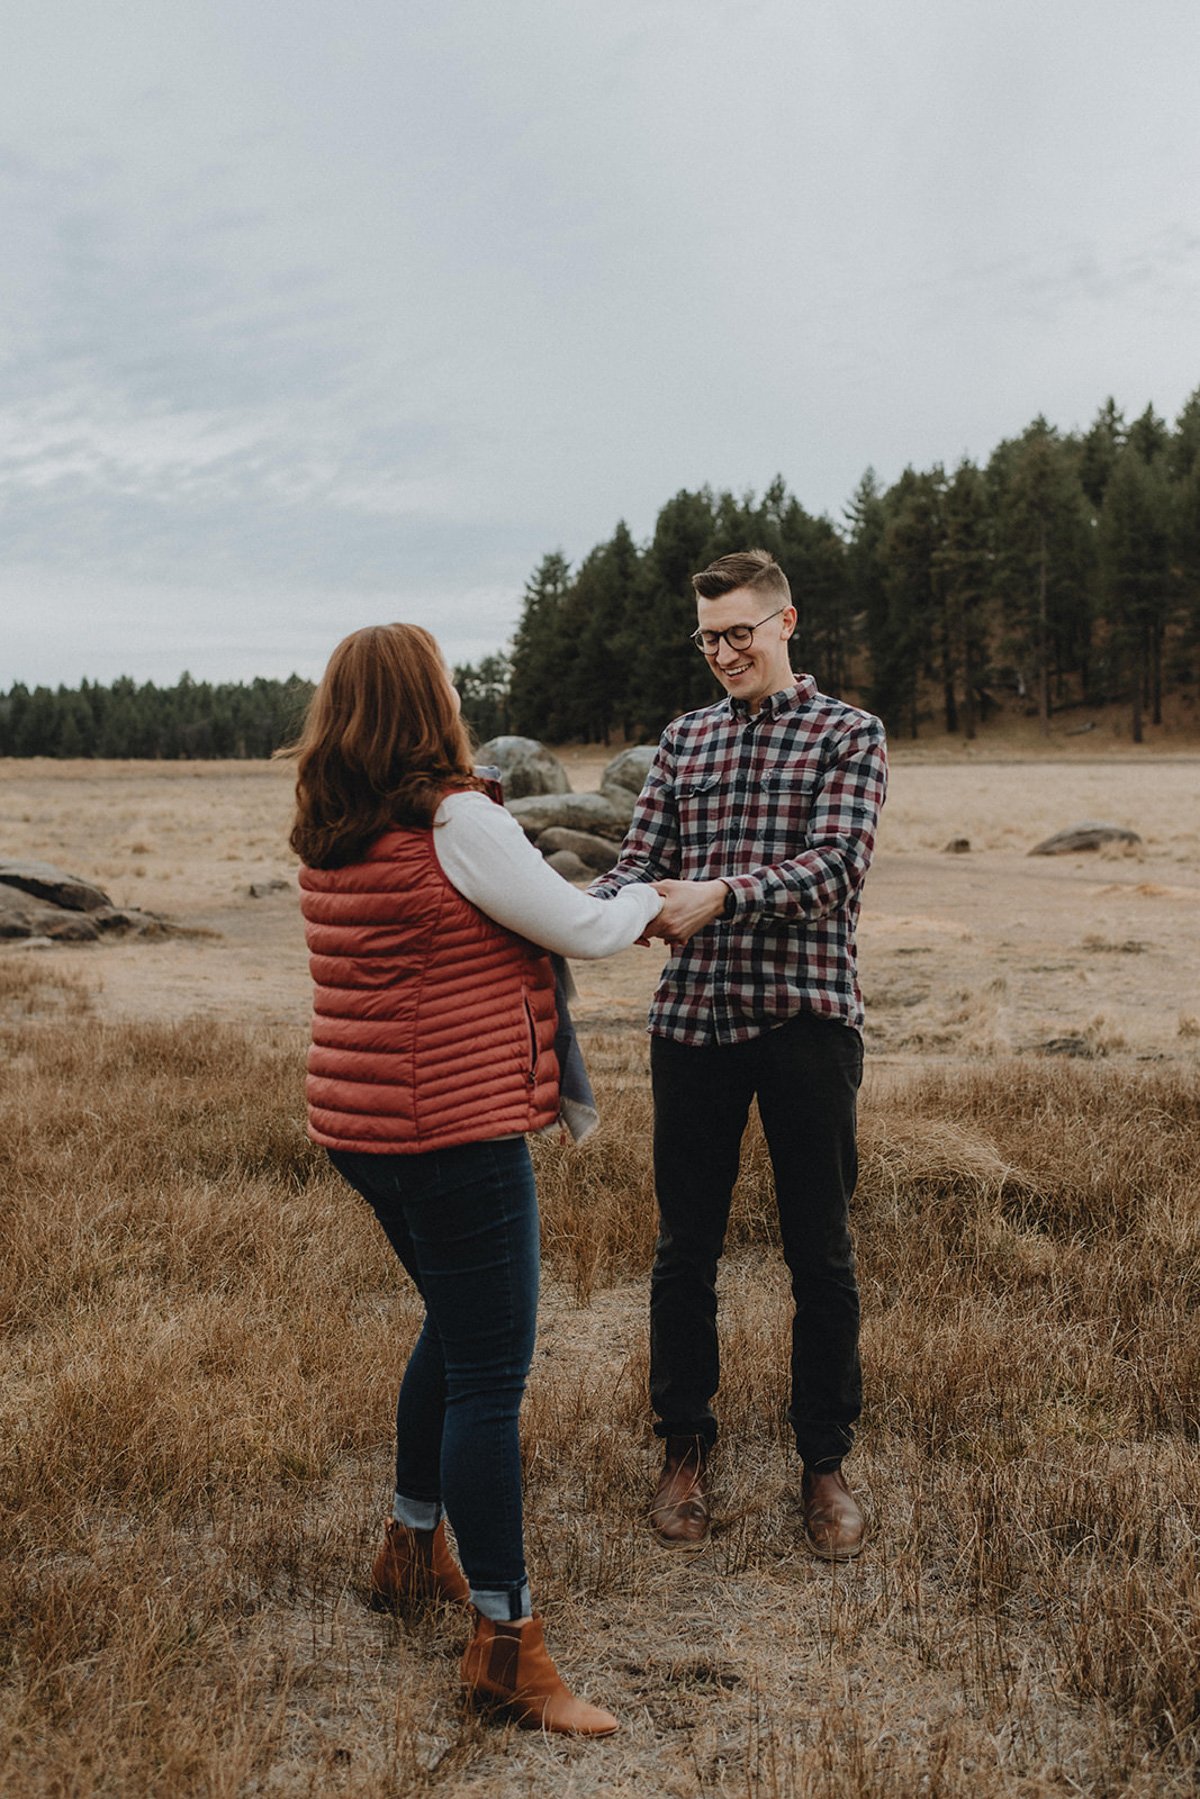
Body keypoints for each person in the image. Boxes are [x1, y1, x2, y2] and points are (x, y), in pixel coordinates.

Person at [286, 622, 663, 1737]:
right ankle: (507, 1642)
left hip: (365, 1127)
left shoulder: (333, 826)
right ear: (430, 704)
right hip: (452, 1130)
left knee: (454, 1331)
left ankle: (410, 1545)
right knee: (491, 1371)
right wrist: (658, 896)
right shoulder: (459, 818)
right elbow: (585, 927)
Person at [589, 550, 888, 1561]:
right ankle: (683, 1448)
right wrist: (594, 909)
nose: (724, 652)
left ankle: (824, 1461)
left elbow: (836, 866)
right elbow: (639, 859)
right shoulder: (682, 741)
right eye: (709, 636)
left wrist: (719, 892)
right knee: (685, 1250)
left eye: (740, 633)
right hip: (694, 1028)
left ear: (786, 622)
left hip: (807, 1023)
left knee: (821, 1252)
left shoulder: (849, 734)